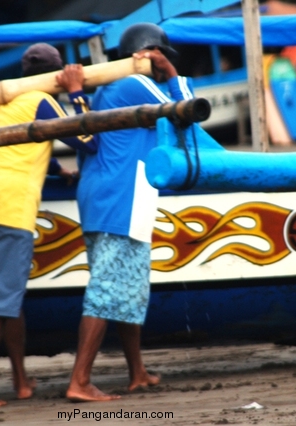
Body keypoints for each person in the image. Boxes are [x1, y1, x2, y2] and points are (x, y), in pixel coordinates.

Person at [0, 43, 96, 410]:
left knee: (8, 296)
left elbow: (20, 146)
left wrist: (56, 171)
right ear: (56, 75)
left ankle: (20, 381)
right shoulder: (41, 99)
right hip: (9, 206)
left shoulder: (8, 100)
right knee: (1, 302)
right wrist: (77, 92)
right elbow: (88, 138)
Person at [66, 23, 195, 402]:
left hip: (115, 197)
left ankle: (136, 372)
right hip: (119, 199)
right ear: (149, 55)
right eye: (160, 59)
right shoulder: (134, 84)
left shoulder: (110, 89)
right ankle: (80, 381)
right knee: (107, 290)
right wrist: (172, 74)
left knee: (128, 289)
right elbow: (187, 110)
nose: (162, 66)